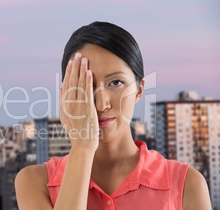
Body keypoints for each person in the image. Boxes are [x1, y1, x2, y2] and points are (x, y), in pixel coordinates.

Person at [15, 21, 212, 210]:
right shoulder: (35, 182)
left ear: (140, 89)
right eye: (85, 86)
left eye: (116, 82)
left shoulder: (187, 184)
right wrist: (83, 146)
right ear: (66, 96)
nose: (101, 104)